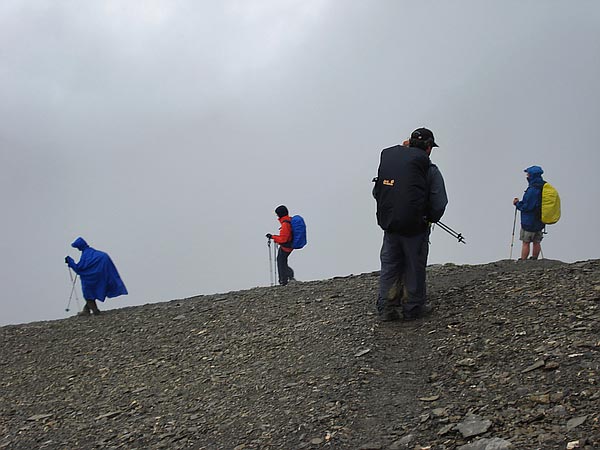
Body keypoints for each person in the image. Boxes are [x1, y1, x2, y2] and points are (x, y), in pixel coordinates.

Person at [373, 127, 448, 321]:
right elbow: (439, 201)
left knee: (390, 264)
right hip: (415, 228)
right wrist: (429, 217)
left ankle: (387, 307)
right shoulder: (429, 169)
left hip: (390, 225)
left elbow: (377, 192)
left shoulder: (393, 164)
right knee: (414, 265)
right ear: (429, 147)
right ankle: (412, 307)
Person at [65, 237, 128, 316]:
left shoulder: (86, 255)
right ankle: (86, 310)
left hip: (91, 278)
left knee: (88, 293)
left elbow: (79, 269)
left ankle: (95, 310)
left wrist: (70, 261)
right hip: (101, 274)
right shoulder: (94, 253)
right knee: (92, 292)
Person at [513, 165, 545, 260]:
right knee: (537, 241)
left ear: (531, 175)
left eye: (528, 174)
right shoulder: (543, 187)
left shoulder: (532, 190)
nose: (527, 175)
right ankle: (534, 258)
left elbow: (527, 206)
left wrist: (517, 204)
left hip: (529, 221)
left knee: (526, 242)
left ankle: (523, 261)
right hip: (539, 220)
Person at [266, 205, 295, 286]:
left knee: (281, 262)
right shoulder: (289, 220)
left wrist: (272, 237)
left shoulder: (285, 223)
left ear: (280, 214)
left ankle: (283, 280)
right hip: (290, 245)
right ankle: (287, 277)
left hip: (286, 246)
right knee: (283, 261)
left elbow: (283, 239)